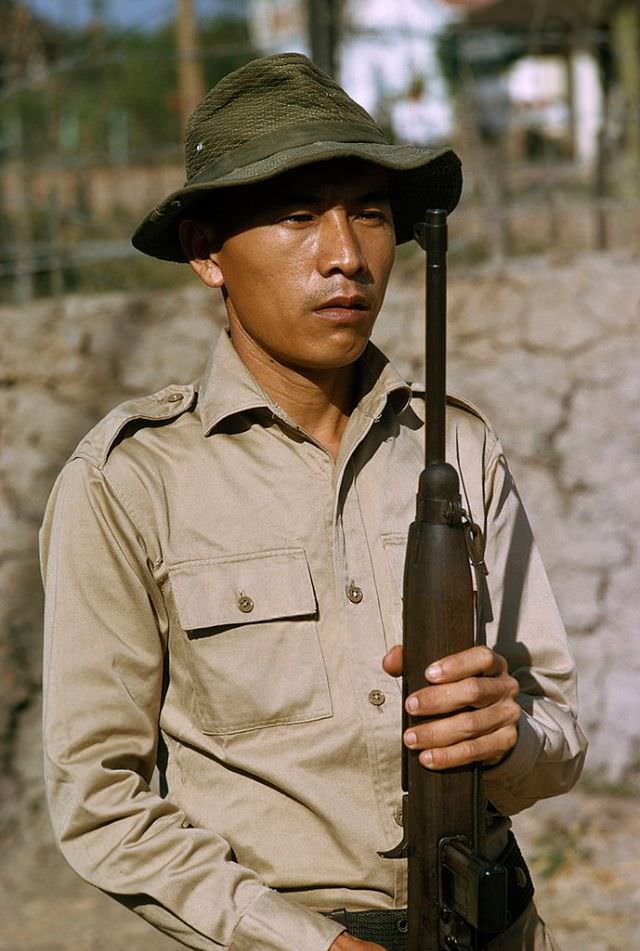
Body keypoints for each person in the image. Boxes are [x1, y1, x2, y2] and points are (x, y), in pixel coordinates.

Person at [40, 53, 586, 951]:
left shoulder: (456, 446)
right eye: (299, 216)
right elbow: (102, 801)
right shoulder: (129, 481)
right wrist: (307, 943)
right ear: (205, 252)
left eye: (370, 213)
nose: (347, 256)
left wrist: (507, 736)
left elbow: (556, 738)